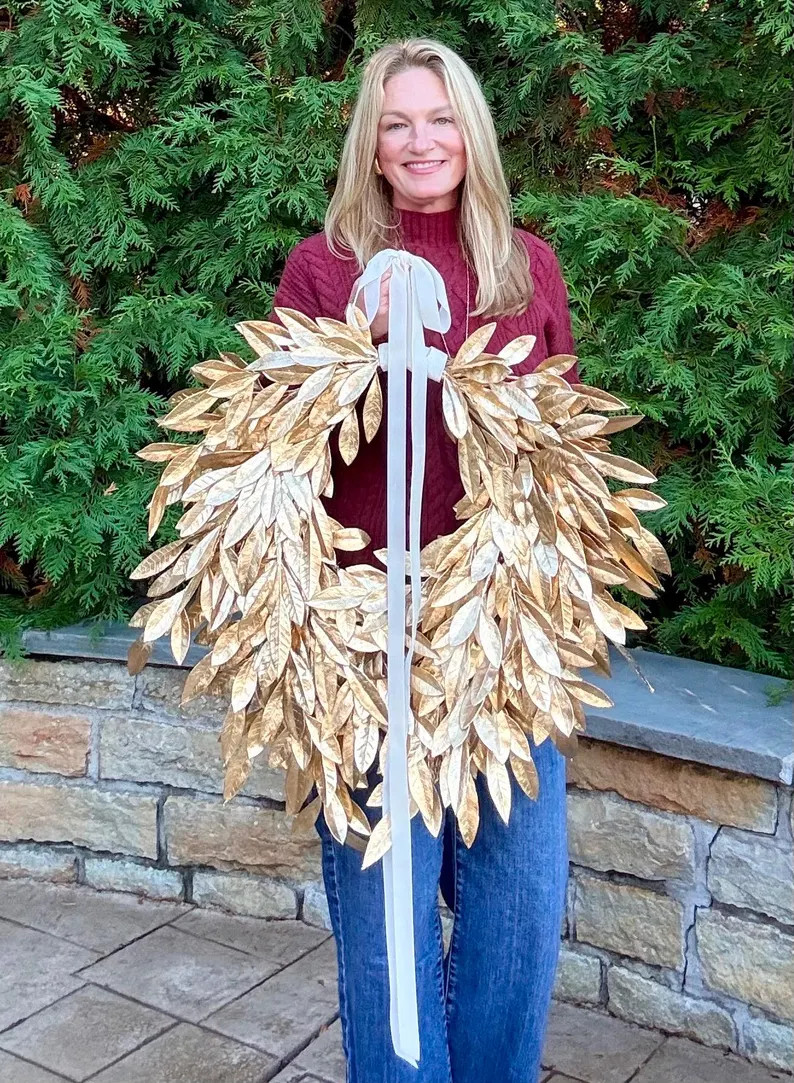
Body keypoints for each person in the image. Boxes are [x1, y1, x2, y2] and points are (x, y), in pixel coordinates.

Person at [272, 37, 573, 1083]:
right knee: (385, 929)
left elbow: (562, 452)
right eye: (396, 123)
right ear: (371, 145)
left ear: (470, 134)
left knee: (516, 915)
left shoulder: (525, 268)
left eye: (440, 119)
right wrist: (355, 345)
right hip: (366, 639)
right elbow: (276, 454)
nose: (420, 140)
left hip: (501, 637)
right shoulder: (323, 267)